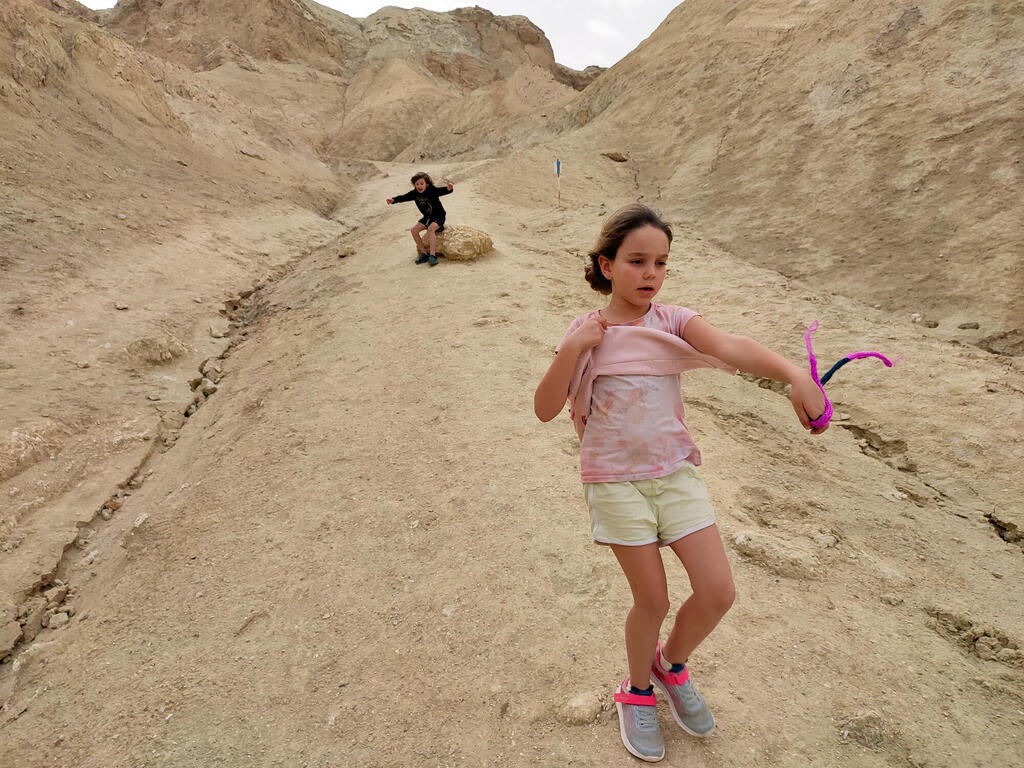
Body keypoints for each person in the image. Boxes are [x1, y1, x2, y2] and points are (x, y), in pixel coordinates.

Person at [533, 203, 827, 762]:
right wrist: (573, 348)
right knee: (652, 598)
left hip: (675, 476)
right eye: (637, 261)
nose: (650, 274)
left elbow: (732, 346)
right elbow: (546, 408)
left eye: (661, 263)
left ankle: (669, 665)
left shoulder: (671, 321)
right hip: (615, 482)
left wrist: (795, 375)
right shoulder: (583, 331)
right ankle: (637, 690)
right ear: (607, 264)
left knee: (718, 592)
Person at [386, 172, 454, 266]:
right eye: (417, 184)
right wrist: (393, 200)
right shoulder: (414, 193)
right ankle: (424, 254)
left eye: (421, 183)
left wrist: (449, 188)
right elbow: (404, 197)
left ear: (427, 184)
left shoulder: (432, 190)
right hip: (427, 217)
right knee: (414, 230)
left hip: (439, 216)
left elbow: (442, 191)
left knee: (431, 229)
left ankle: (433, 255)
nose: (419, 186)